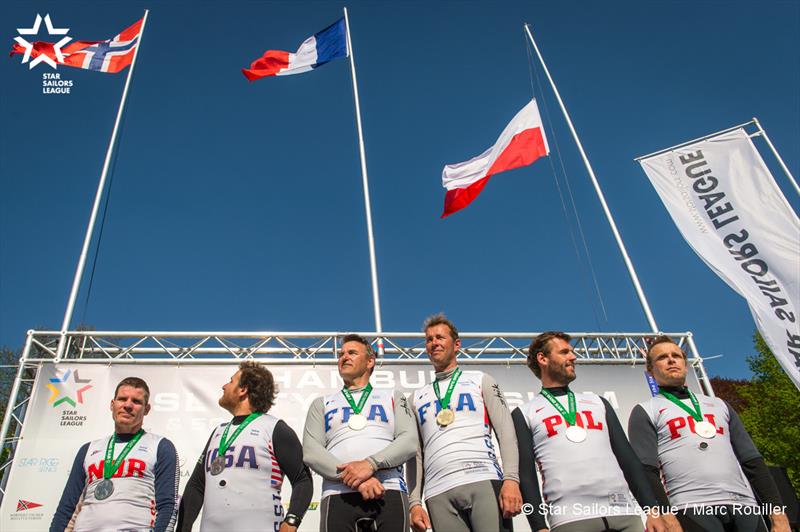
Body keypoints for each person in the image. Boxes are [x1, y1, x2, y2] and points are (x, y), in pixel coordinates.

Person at [628, 335, 791, 532]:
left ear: (685, 365)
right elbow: (646, 470)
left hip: (745, 506)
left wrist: (778, 514)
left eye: (676, 356)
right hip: (690, 507)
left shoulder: (719, 404)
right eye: (662, 357)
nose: (671, 360)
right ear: (650, 371)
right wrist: (665, 515)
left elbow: (753, 462)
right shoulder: (646, 410)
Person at [512, 331, 667, 532]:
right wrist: (538, 526)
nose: (573, 357)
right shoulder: (525, 412)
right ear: (543, 359)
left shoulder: (597, 402)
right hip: (569, 519)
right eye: (564, 352)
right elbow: (527, 475)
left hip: (623, 514)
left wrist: (652, 510)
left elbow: (627, 459)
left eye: (572, 352)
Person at [408, 314, 522, 532]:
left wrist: (511, 480)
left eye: (440, 337)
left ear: (457, 344)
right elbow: (416, 455)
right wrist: (414, 502)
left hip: (483, 479)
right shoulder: (416, 398)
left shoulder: (481, 380)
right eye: (429, 339)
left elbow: (506, 432)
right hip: (438, 492)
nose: (434, 343)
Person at [177, 361, 312, 531]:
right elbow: (196, 485)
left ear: (243, 390)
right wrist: (183, 527)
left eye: (230, 381)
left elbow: (302, 479)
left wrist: (292, 520)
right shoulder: (218, 432)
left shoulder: (275, 428)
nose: (224, 386)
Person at [303, 333, 417, 531]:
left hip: (388, 490)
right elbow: (311, 452)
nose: (344, 357)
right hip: (337, 494)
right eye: (341, 354)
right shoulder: (321, 403)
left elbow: (409, 442)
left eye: (352, 353)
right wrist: (357, 479)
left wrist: (370, 464)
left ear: (370, 361)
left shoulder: (393, 396)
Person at [51, 377, 179, 532]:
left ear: (146, 409)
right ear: (112, 405)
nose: (128, 405)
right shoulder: (88, 449)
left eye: (136, 401)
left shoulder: (161, 446)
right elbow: (66, 508)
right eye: (122, 399)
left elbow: (167, 505)